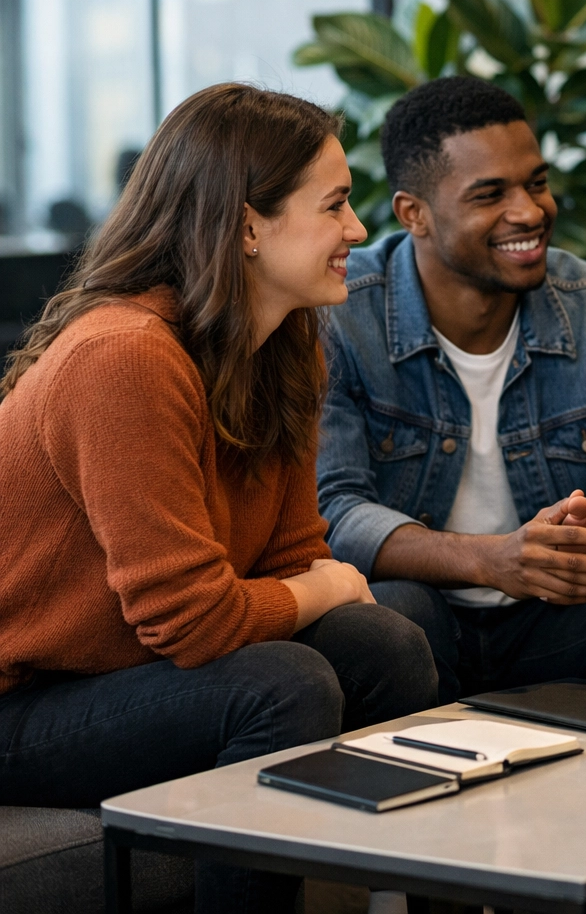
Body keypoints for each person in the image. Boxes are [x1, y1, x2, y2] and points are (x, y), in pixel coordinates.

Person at [0, 84, 439, 913]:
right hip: (21, 704)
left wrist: (322, 585)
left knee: (385, 642)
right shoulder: (123, 358)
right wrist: (326, 586)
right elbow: (194, 621)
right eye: (335, 205)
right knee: (282, 684)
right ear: (245, 228)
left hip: (129, 672)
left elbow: (290, 555)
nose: (357, 230)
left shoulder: (288, 347)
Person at [317, 76, 586, 704]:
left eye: (536, 183)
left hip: (559, 619)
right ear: (413, 213)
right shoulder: (340, 315)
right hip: (424, 616)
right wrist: (490, 559)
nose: (531, 212)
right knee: (391, 616)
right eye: (491, 194)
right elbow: (335, 513)